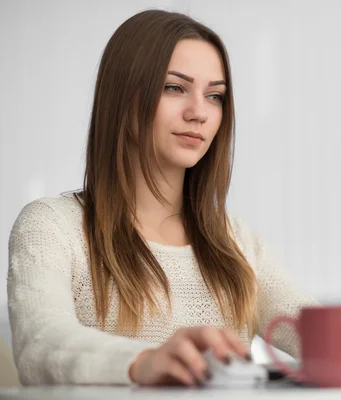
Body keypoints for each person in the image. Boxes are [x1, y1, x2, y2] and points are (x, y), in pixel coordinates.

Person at [7, 9, 317, 387]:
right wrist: (146, 361)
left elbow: (315, 332)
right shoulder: (52, 226)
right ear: (123, 96)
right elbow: (40, 345)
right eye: (174, 88)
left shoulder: (234, 239)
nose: (199, 112)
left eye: (215, 96)